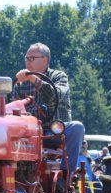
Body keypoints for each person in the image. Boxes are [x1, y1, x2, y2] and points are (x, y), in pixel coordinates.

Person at [11, 42, 84, 174]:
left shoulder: (59, 77)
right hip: (30, 133)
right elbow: (13, 111)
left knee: (77, 127)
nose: (27, 62)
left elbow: (53, 96)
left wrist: (34, 79)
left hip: (54, 131)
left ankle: (66, 174)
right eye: (26, 59)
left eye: (31, 58)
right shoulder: (20, 84)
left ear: (44, 60)